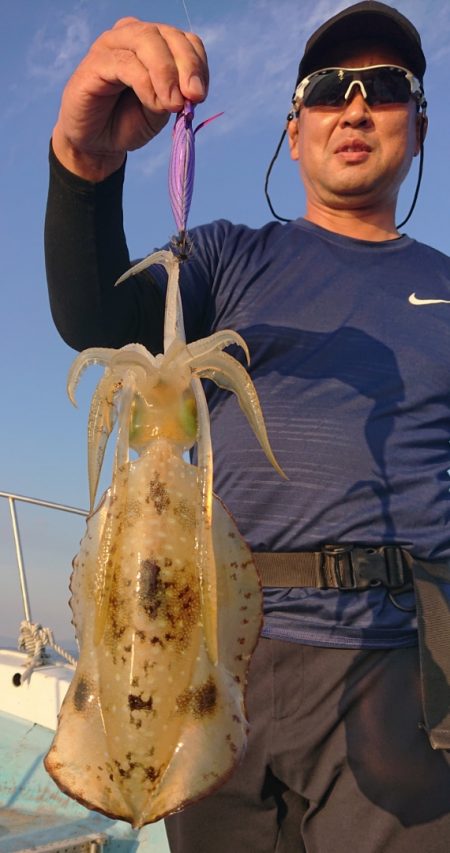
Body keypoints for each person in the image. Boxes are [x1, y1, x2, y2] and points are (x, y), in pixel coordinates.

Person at [45, 2, 450, 851]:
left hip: (396, 661)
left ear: (418, 126)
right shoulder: (226, 257)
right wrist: (86, 161)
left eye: (384, 88)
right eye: (329, 89)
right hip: (213, 652)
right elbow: (99, 319)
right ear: (293, 131)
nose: (355, 108)